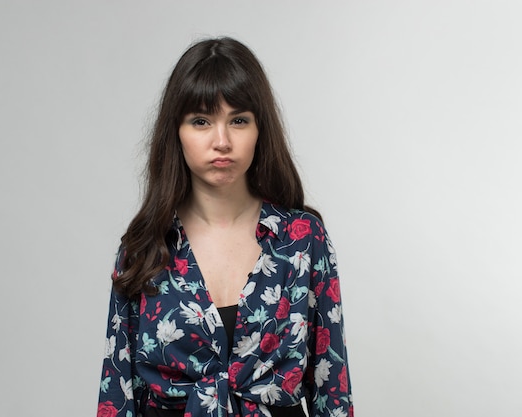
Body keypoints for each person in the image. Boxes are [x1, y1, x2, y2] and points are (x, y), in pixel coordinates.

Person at [97, 37, 353, 417]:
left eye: (238, 120)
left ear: (259, 129)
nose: (222, 141)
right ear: (177, 132)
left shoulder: (303, 240)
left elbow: (332, 390)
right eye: (201, 121)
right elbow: (116, 395)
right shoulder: (145, 247)